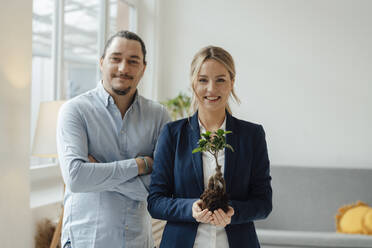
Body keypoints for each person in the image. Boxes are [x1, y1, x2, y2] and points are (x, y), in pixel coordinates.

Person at [147, 46, 272, 248]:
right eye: (203, 80)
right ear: (193, 84)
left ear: (232, 82)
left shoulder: (252, 135)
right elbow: (155, 201)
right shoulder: (172, 134)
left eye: (220, 80)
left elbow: (263, 203)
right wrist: (190, 209)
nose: (211, 89)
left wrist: (234, 212)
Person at [57, 30, 170, 248]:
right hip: (85, 242)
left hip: (139, 243)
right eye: (115, 59)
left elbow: (162, 189)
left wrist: (98, 174)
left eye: (133, 61)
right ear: (102, 62)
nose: (123, 68)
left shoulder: (159, 116)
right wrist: (140, 165)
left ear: (143, 68)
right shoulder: (74, 111)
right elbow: (76, 178)